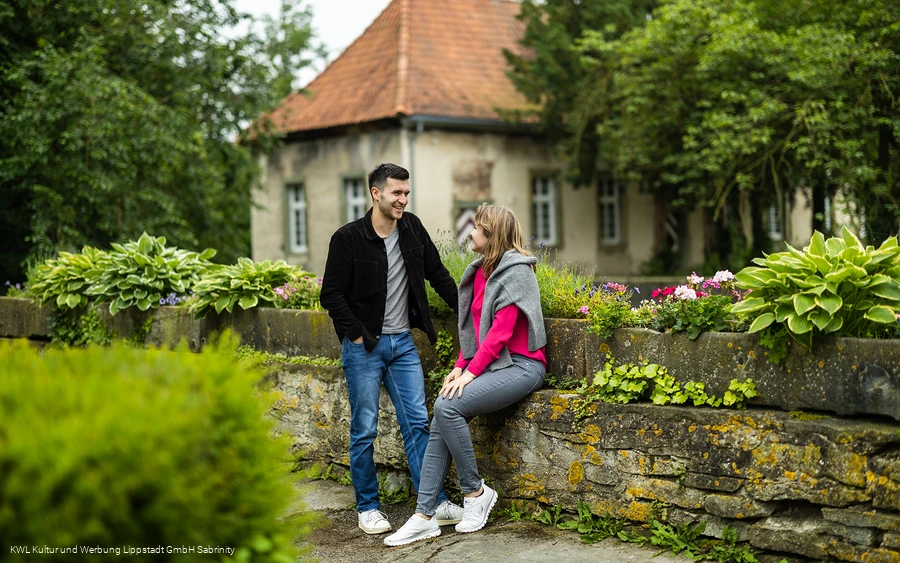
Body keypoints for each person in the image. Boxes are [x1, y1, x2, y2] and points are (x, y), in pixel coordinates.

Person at [384, 203, 547, 547]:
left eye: (476, 228)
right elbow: (475, 332)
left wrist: (470, 374)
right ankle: (424, 516)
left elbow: (500, 334)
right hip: (495, 364)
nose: (470, 233)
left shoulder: (517, 271)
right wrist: (460, 366)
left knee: (447, 406)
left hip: (522, 366)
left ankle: (475, 493)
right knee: (442, 413)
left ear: (492, 234)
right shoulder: (480, 272)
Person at [319, 163, 463, 535]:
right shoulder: (348, 238)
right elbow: (331, 294)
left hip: (403, 345)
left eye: (406, 193)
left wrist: (469, 313)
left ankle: (433, 503)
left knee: (418, 423)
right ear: (376, 193)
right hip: (364, 348)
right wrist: (355, 335)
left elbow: (438, 275)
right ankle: (368, 507)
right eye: (396, 192)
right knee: (364, 429)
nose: (403, 200)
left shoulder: (412, 228)